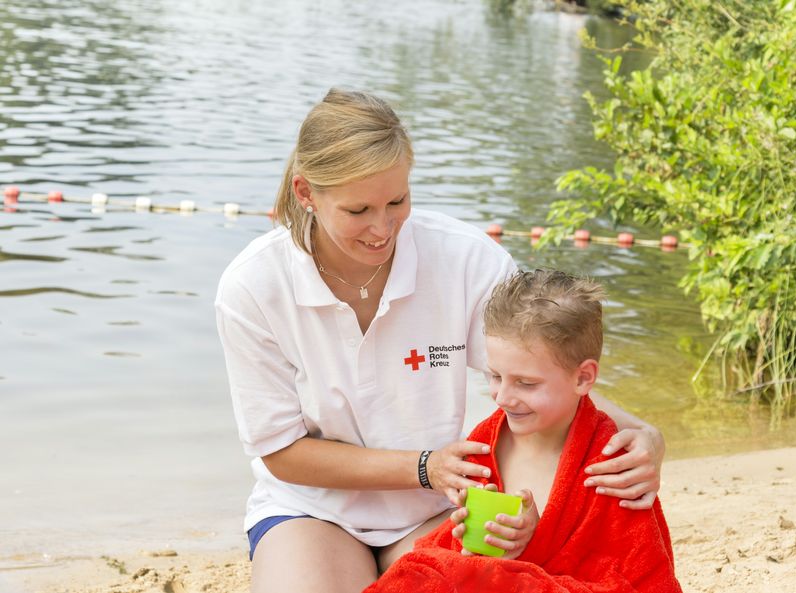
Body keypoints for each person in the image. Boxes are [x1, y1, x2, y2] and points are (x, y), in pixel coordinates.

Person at [215, 89, 666, 593]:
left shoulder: (466, 259)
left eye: (397, 201)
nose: (382, 228)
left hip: (442, 511)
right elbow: (281, 453)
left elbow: (543, 372)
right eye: (358, 209)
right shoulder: (253, 286)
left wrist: (644, 433)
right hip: (313, 510)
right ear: (305, 194)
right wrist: (425, 467)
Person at [366, 269, 682, 593]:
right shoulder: (484, 444)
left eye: (526, 383)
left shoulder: (613, 466)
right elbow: (470, 561)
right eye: (494, 376)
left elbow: (642, 577)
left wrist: (529, 550)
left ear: (583, 378)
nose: (502, 397)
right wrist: (477, 541)